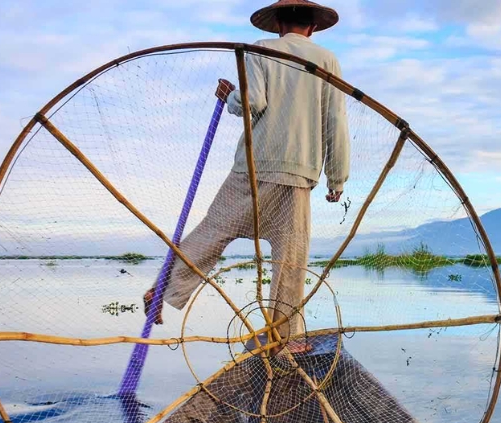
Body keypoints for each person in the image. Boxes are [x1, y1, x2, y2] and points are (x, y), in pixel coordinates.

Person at [143, 0, 349, 352]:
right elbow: (335, 120)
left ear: (279, 25)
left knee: (212, 231)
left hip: (254, 164)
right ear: (312, 28)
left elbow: (251, 102)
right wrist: (337, 177)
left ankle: (163, 289)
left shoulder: (261, 50)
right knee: (290, 257)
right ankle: (284, 337)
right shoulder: (327, 60)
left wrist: (230, 98)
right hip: (298, 170)